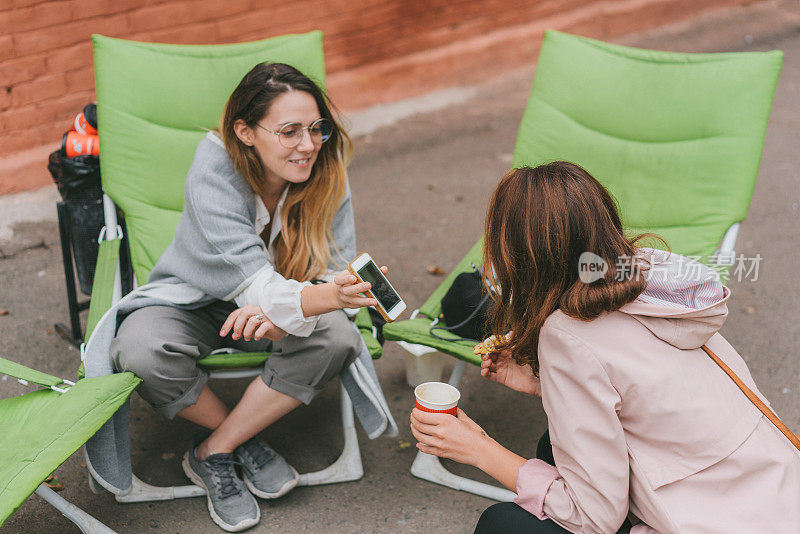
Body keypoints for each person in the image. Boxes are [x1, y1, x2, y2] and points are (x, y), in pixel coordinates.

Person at [410, 161, 800, 533]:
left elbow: (595, 517)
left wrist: (479, 448)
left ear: (520, 259)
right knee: (553, 446)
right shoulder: (651, 279)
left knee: (502, 526)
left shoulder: (565, 334)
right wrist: (547, 384)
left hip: (707, 521)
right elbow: (651, 391)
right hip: (777, 498)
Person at [110, 63, 386, 532]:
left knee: (338, 338)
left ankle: (214, 449)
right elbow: (252, 280)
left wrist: (290, 314)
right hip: (195, 300)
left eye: (316, 128)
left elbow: (335, 264)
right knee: (138, 349)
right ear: (245, 131)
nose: (308, 144)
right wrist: (303, 305)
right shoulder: (215, 168)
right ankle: (243, 441)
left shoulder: (324, 168)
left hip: (282, 300)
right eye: (289, 131)